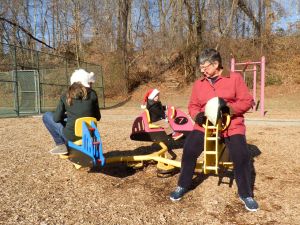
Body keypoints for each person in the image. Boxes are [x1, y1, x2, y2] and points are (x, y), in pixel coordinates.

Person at [169, 48, 259, 212]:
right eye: (201, 68)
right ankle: (182, 185)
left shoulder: (234, 78)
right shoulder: (199, 84)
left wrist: (229, 109)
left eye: (206, 67)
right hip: (205, 125)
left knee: (241, 155)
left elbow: (247, 101)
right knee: (189, 150)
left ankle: (246, 194)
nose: (203, 71)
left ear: (216, 64)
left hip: (231, 125)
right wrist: (197, 116)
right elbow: (193, 105)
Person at [42, 69, 101, 155]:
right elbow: (97, 117)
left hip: (71, 137)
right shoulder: (93, 94)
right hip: (89, 134)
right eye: (89, 82)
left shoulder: (65, 95)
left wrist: (66, 115)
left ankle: (61, 145)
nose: (90, 84)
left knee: (47, 115)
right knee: (69, 120)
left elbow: (56, 119)